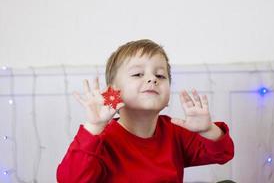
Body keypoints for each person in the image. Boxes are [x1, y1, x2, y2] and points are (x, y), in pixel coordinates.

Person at [56, 39, 234, 183]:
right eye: (137, 74)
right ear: (113, 92)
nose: (152, 79)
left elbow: (223, 153)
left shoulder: (175, 132)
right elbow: (69, 180)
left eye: (160, 75)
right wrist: (93, 127)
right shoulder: (102, 141)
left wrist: (208, 130)